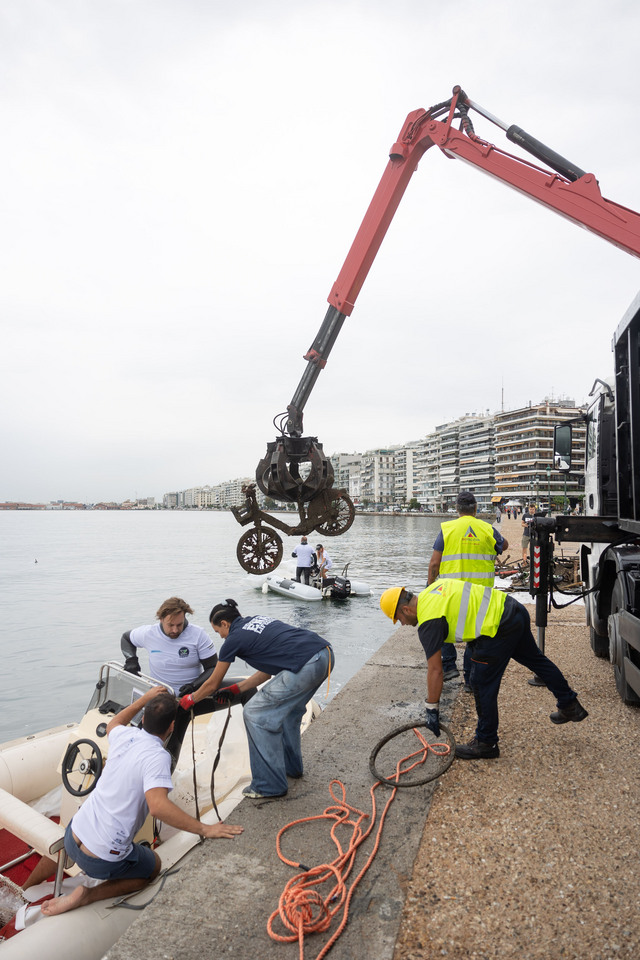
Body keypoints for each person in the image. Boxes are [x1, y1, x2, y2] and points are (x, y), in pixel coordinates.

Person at [37, 687, 243, 917]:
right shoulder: (158, 757)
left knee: (80, 832)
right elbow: (158, 806)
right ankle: (88, 895)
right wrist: (205, 829)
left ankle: (27, 888)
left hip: (72, 836)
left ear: (143, 719)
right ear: (172, 726)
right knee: (152, 867)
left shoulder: (123, 735)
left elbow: (115, 722)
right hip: (100, 861)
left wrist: (143, 700)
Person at [380, 580, 588, 760]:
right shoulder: (434, 590)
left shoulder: (428, 620)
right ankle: (569, 704)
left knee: (481, 683)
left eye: (399, 619)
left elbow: (435, 671)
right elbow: (468, 607)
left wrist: (432, 708)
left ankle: (486, 743)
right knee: (536, 660)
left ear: (406, 610)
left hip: (498, 627)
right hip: (513, 609)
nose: (402, 624)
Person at [179, 600, 334, 799]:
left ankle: (268, 785)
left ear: (225, 624)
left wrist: (190, 700)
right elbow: (265, 675)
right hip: (324, 655)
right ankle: (291, 768)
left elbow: (212, 683)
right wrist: (235, 690)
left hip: (306, 665)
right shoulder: (257, 622)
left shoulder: (233, 640)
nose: (221, 636)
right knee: (289, 713)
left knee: (255, 714)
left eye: (219, 632)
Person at [120, 597, 223, 767]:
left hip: (191, 696)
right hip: (161, 695)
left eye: (179, 625)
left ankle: (167, 769)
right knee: (143, 734)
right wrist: (131, 659)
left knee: (176, 731)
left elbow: (213, 667)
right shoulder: (149, 633)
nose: (175, 630)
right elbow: (126, 638)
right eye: (170, 625)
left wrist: (193, 685)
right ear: (161, 619)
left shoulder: (198, 635)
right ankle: (134, 765)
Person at [428, 491, 508, 689]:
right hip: (480, 595)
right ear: (475, 509)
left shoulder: (446, 529)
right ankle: (470, 680)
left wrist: (429, 588)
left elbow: (434, 564)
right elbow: (504, 545)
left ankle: (448, 665)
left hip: (451, 593)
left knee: (441, 626)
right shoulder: (487, 528)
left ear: (457, 509)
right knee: (475, 636)